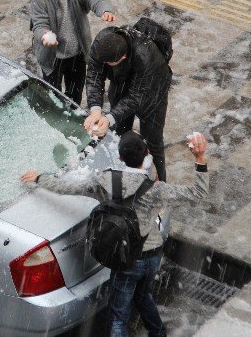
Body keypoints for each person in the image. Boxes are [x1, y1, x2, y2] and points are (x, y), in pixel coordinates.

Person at [20, 130, 210, 337]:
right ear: (146, 154)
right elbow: (198, 194)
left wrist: (39, 178)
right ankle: (158, 333)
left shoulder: (106, 180)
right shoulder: (157, 189)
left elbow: (68, 187)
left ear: (120, 157)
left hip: (126, 259)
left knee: (118, 316)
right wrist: (200, 158)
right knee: (143, 295)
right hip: (152, 257)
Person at [83, 27, 172, 181]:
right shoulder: (102, 44)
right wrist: (96, 110)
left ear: (123, 56)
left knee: (152, 142)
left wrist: (109, 118)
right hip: (121, 82)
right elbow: (94, 76)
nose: (104, 65)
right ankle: (124, 178)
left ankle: (159, 187)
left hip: (153, 91)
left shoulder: (145, 55)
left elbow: (136, 97)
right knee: (121, 135)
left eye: (109, 63)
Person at [28, 0, 116, 105]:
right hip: (52, 58)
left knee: (75, 96)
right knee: (53, 97)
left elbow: (95, 0)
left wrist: (104, 10)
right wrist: (45, 34)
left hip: (77, 55)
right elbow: (38, 25)